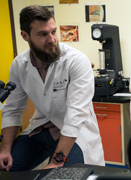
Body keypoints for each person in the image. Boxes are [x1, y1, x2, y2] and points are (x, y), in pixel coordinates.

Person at [0, 5, 104, 171]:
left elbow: (75, 115)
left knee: (62, 175)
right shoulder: (19, 65)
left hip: (75, 131)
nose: (52, 39)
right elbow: (12, 109)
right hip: (41, 127)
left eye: (53, 32)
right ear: (25, 36)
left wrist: (57, 160)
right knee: (5, 168)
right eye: (43, 34)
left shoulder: (76, 61)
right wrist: (5, 149)